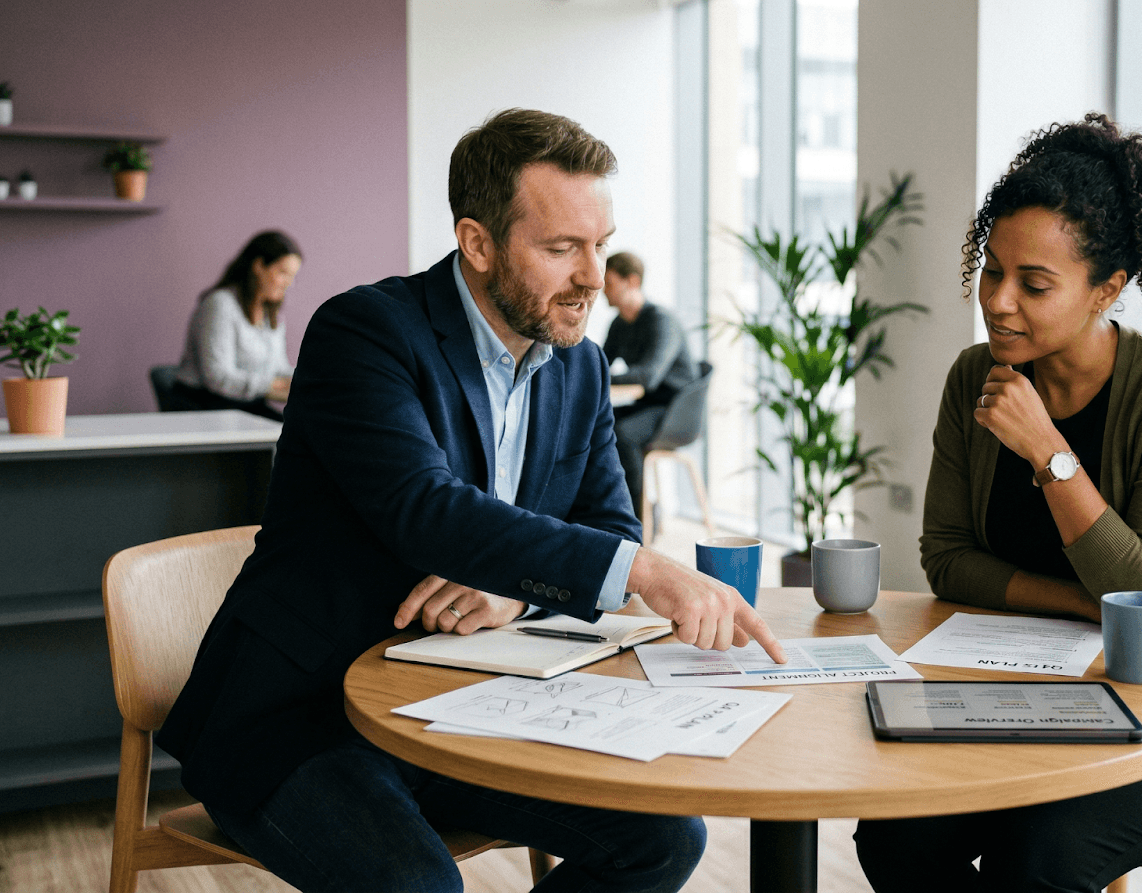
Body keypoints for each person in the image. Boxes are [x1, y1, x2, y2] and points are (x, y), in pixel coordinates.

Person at [158, 109, 787, 893]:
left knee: (664, 839)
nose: (593, 274)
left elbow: (604, 524)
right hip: (302, 715)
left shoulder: (580, 365)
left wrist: (513, 596)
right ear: (478, 243)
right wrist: (648, 572)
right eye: (562, 249)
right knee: (417, 885)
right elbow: (423, 507)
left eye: (600, 243)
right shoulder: (366, 332)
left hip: (463, 704)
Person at [852, 113, 1142, 892]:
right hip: (1029, 695)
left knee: (1043, 856)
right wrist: (1085, 608)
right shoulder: (971, 377)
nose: (999, 301)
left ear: (1107, 290)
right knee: (896, 834)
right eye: (991, 270)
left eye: (1035, 284)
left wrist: (1048, 451)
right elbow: (947, 560)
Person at [600, 251, 699, 512]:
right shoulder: (619, 325)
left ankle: (636, 519)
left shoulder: (661, 321)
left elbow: (648, 376)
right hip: (648, 404)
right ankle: (610, 508)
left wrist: (604, 378)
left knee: (623, 433)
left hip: (675, 411)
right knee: (598, 421)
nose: (602, 290)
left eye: (608, 283)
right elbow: (599, 366)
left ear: (631, 281)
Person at [172, 230, 302, 421]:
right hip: (208, 408)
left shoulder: (271, 314)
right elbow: (218, 378)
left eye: (292, 276)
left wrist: (308, 380)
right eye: (282, 273)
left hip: (247, 405)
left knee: (303, 434)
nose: (288, 284)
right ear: (258, 266)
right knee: (291, 440)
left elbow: (279, 368)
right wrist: (271, 385)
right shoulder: (220, 304)